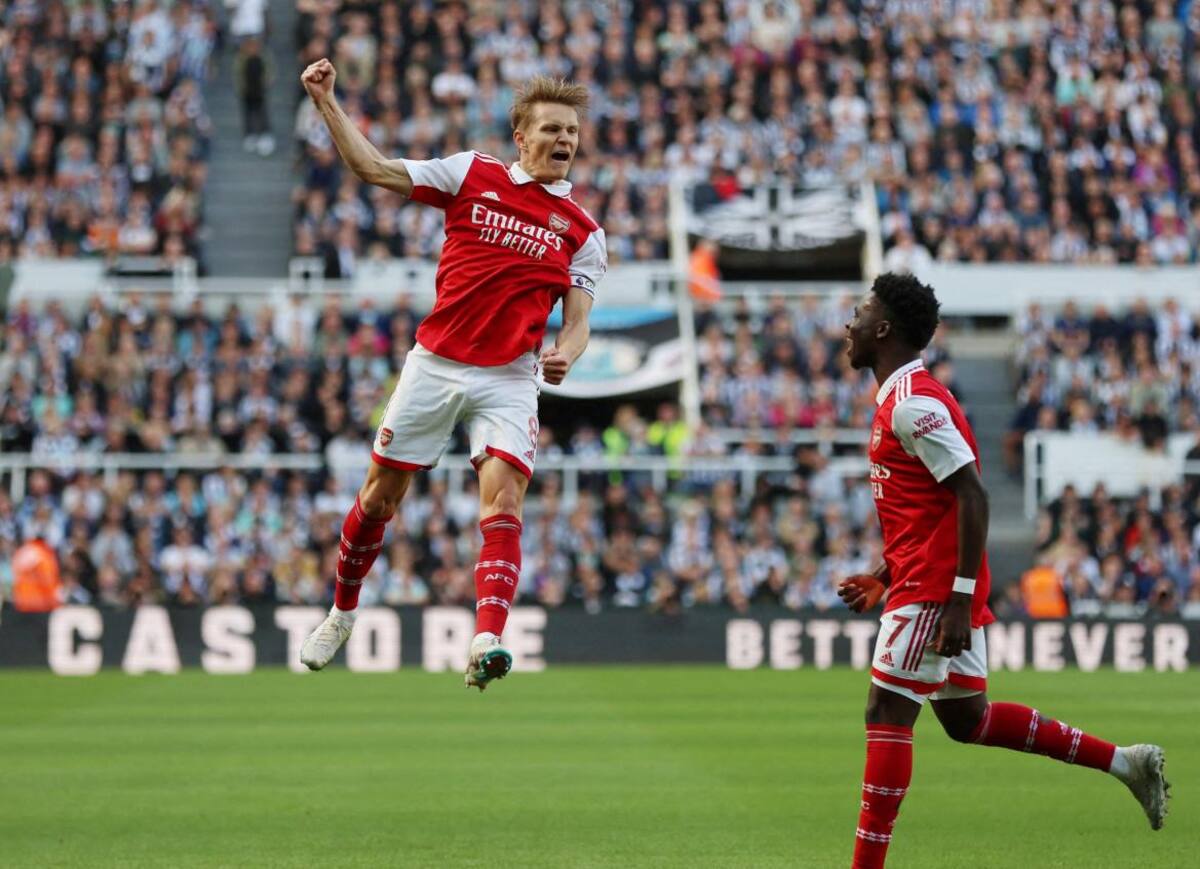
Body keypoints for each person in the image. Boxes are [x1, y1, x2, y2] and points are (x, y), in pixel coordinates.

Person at [836, 274, 1168, 868]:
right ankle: (1126, 762)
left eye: (859, 313)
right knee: (968, 719)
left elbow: (973, 495)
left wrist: (958, 599)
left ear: (882, 329)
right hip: (927, 580)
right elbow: (934, 508)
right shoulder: (903, 398)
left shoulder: (913, 403)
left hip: (936, 591)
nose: (849, 324)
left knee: (886, 713)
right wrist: (883, 574)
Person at [296, 58, 606, 690]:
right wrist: (326, 101)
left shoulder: (583, 233)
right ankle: (341, 613)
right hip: (436, 363)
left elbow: (577, 323)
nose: (565, 140)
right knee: (380, 498)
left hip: (510, 377)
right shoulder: (471, 174)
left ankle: (487, 638)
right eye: (552, 129)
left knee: (505, 499)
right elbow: (373, 168)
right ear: (521, 137)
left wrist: (567, 354)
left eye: (572, 131)